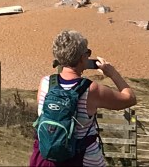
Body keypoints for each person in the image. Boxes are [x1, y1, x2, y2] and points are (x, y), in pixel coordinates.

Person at [30, 30, 136, 166]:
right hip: (82, 159)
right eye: (88, 53)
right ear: (82, 58)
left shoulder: (45, 82)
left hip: (45, 158)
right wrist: (112, 73)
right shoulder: (91, 89)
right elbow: (130, 98)